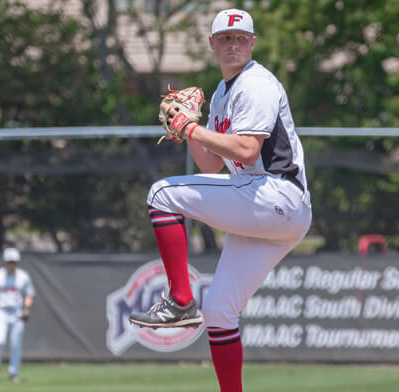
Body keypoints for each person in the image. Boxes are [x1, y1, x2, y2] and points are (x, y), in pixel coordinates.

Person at [129, 8, 311, 391]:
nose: (233, 44)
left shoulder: (256, 84)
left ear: (252, 43)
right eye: (225, 38)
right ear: (212, 44)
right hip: (264, 209)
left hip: (275, 193)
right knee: (219, 312)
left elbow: (245, 150)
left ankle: (180, 299)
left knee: (161, 194)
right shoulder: (223, 94)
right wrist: (191, 132)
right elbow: (211, 166)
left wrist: (193, 127)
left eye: (241, 37)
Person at [0, 247, 35, 383]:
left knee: (16, 344)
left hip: (17, 312)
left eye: (14, 261)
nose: (11, 264)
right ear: (5, 262)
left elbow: (29, 294)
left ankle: (13, 373)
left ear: (17, 262)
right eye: (9, 261)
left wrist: (26, 309)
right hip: (0, 311)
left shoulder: (23, 276)